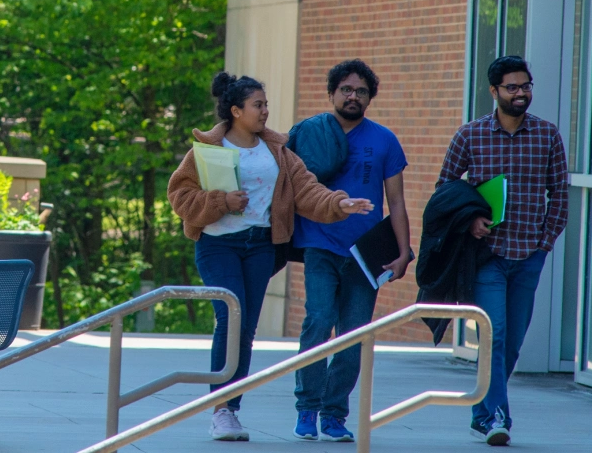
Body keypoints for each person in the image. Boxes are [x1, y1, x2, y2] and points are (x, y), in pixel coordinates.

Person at [167, 71, 374, 441]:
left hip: (261, 247)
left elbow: (307, 189)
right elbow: (179, 196)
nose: (265, 111)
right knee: (230, 321)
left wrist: (339, 202)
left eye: (266, 105)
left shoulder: (278, 150)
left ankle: (231, 407)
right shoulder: (208, 148)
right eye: (257, 105)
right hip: (218, 246)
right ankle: (221, 410)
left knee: (245, 329)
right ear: (236, 110)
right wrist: (220, 202)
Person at [437, 55, 568, 446]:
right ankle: (497, 416)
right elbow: (444, 192)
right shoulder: (469, 136)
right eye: (512, 87)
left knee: (511, 343)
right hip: (487, 255)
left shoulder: (547, 136)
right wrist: (469, 223)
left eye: (526, 86)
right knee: (494, 336)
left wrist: (545, 243)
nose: (521, 93)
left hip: (529, 254)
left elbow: (560, 192)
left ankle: (482, 411)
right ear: (494, 91)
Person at [291, 59, 411, 442]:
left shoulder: (385, 140)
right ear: (332, 93)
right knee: (318, 319)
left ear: (370, 97)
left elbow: (397, 200)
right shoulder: (311, 134)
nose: (353, 96)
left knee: (354, 333)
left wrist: (405, 251)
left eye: (360, 90)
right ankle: (307, 408)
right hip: (320, 243)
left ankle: (334, 414)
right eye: (345, 89)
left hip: (366, 253)